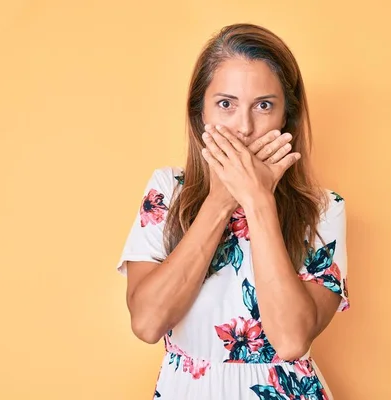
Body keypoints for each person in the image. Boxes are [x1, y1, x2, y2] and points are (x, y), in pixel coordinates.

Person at [116, 23, 349, 400]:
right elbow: (147, 323)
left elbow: (290, 341)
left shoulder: (323, 209)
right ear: (199, 115)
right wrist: (222, 200)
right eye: (226, 104)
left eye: (264, 105)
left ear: (286, 118)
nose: (244, 127)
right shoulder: (167, 190)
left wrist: (257, 201)